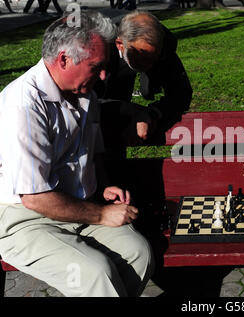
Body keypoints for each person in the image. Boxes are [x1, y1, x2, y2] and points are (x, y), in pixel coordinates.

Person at [0, 11, 154, 297]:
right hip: (25, 220)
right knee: (95, 273)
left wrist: (103, 183)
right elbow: (35, 197)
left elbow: (92, 153)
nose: (105, 75)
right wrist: (102, 213)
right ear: (63, 59)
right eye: (96, 66)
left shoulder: (85, 94)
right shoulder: (23, 105)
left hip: (76, 207)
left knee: (138, 253)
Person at [94, 10, 192, 152]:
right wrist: (134, 112)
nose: (149, 66)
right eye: (142, 57)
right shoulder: (98, 46)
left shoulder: (162, 46)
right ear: (119, 44)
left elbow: (181, 93)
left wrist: (153, 113)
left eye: (154, 59)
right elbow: (84, 100)